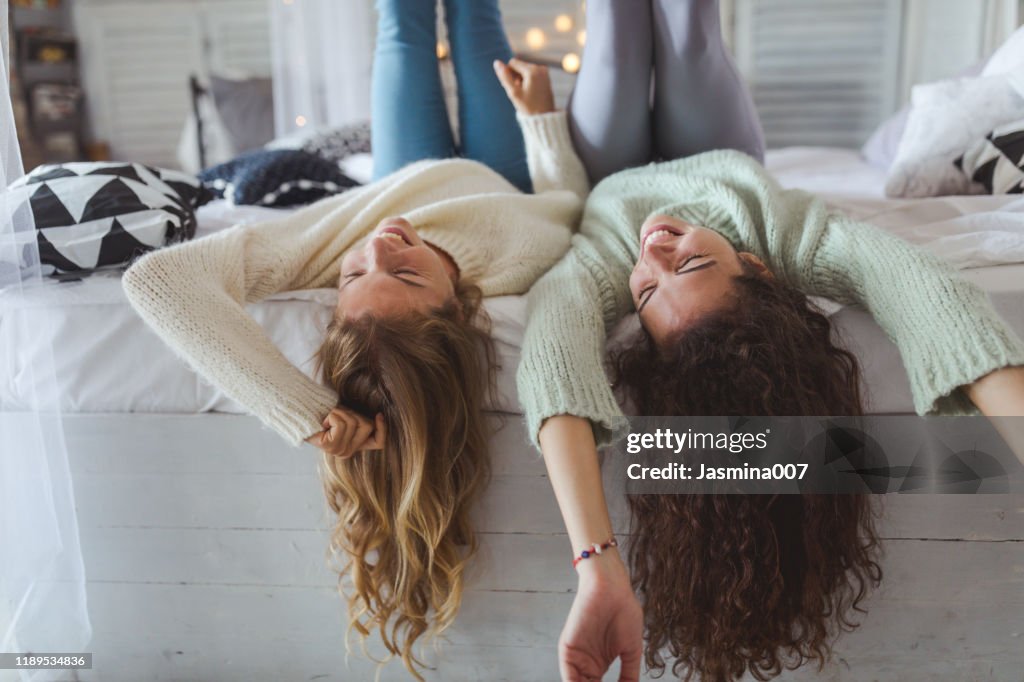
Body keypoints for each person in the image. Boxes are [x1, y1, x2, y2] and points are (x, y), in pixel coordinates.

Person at [505, 0, 1024, 680]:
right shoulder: (779, 237)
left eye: (644, 293)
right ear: (755, 268)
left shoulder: (606, 258)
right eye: (691, 261)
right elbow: (920, 291)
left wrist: (596, 565)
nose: (655, 249)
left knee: (613, 42)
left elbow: (553, 359)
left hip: (611, 169)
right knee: (688, 33)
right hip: (721, 147)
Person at [122, 0, 589, 679]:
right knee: (475, 24)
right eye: (403, 270)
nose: (379, 243)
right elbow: (567, 202)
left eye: (353, 274)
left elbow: (159, 282)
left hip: (401, 167)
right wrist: (542, 120)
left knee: (401, 25)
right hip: (507, 176)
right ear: (457, 307)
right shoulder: (517, 265)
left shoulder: (330, 244)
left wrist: (304, 411)